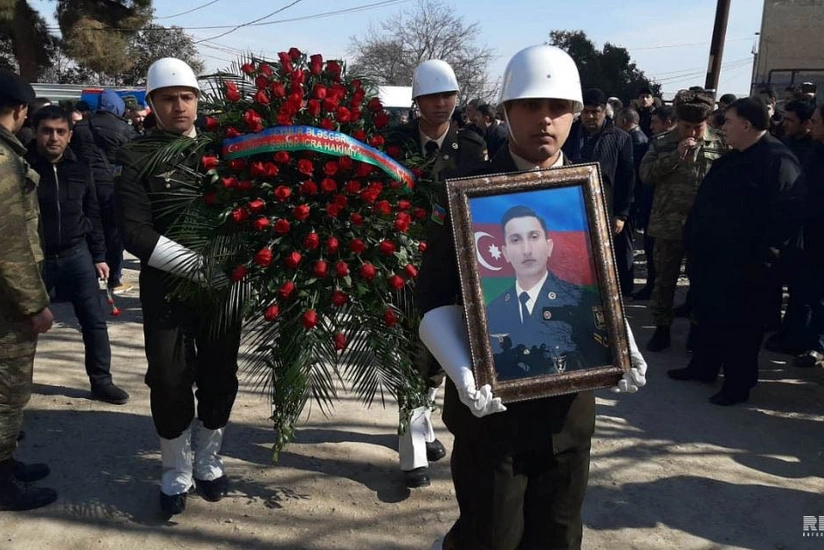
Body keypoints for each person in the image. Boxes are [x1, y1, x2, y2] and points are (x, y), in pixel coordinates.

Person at [416, 45, 647, 550]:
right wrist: (463, 370)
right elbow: (431, 294)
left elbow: (597, 283)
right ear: (506, 111)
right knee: (490, 537)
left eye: (558, 107)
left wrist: (621, 341)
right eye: (530, 105)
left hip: (568, 414)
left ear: (576, 113)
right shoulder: (464, 190)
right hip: (491, 420)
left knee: (559, 535)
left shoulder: (589, 188)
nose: (545, 118)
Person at [115, 58, 240, 518]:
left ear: (197, 100)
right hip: (166, 284)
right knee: (169, 377)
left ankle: (208, 459)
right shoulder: (136, 155)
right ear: (151, 103)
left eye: (187, 97)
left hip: (223, 286)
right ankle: (175, 468)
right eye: (168, 98)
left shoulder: (224, 149)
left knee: (220, 373)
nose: (179, 106)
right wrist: (194, 266)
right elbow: (134, 230)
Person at [385, 59, 487, 489]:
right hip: (399, 264)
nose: (440, 104)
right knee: (409, 353)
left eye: (447, 96)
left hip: (450, 267)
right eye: (431, 97)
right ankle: (411, 453)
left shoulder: (471, 146)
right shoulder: (395, 143)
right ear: (417, 101)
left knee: (437, 358)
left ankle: (422, 425)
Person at [671, 98, 804, 405]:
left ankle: (737, 384)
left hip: (749, 266)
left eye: (728, 121)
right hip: (713, 259)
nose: (722, 127)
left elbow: (786, 220)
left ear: (746, 125)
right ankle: (703, 366)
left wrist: (760, 259)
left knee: (742, 327)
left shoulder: (778, 162)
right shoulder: (732, 159)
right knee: (709, 315)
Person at [26, 105, 130, 405]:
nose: (54, 138)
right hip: (36, 258)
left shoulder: (80, 166)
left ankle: (102, 381)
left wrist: (100, 256)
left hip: (77, 254)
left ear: (70, 135)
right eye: (47, 131)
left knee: (94, 322)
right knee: (22, 326)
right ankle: (15, 389)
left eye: (61, 132)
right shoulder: (23, 167)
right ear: (36, 133)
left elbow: (92, 213)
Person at [0, 68, 58, 511]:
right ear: (21, 111)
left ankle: (6, 463)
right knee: (7, 393)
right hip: (7, 304)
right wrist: (35, 303)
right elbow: (9, 244)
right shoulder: (3, 161)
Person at [641, 89, 726, 352]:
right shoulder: (662, 142)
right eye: (686, 126)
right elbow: (646, 175)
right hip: (668, 224)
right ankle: (662, 329)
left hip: (705, 228)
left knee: (702, 282)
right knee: (664, 280)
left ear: (706, 122)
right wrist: (675, 156)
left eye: (697, 127)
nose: (691, 132)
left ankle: (697, 332)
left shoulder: (721, 143)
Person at [485, 205, 611, 380]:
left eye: (534, 237)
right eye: (516, 240)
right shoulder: (492, 311)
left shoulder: (581, 301)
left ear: (549, 246)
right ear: (505, 252)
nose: (526, 250)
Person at [562, 88, 636, 296]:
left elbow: (627, 178)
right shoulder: (568, 134)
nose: (590, 116)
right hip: (571, 207)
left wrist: (621, 214)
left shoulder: (620, 138)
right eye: (586, 112)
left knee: (606, 259)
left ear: (604, 112)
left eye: (595, 112)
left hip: (605, 208)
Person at [72, 89, 138, 294]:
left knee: (88, 229)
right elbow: (134, 157)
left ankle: (89, 275)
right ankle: (114, 279)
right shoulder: (123, 128)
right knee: (114, 232)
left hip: (83, 184)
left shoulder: (81, 127)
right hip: (111, 185)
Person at [616, 108, 652, 299]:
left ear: (623, 121)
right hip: (635, 200)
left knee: (625, 244)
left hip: (631, 200)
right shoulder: (639, 138)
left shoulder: (635, 140)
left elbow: (632, 174)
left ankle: (625, 284)